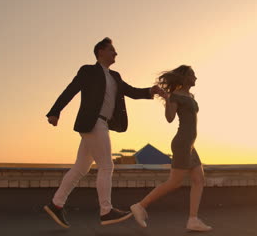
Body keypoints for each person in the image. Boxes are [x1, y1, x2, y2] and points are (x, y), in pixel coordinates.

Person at [43, 37, 165, 228]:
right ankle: (106, 211)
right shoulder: (88, 71)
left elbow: (131, 91)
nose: (115, 53)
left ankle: (56, 204)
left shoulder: (115, 76)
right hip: (94, 123)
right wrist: (54, 112)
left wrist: (151, 91)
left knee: (81, 168)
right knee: (106, 166)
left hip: (102, 124)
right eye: (112, 50)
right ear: (101, 52)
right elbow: (71, 90)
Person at [130, 65, 212, 232]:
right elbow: (169, 118)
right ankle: (140, 206)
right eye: (193, 75)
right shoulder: (176, 96)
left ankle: (193, 219)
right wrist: (168, 99)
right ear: (185, 77)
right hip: (182, 143)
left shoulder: (189, 95)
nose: (196, 78)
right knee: (174, 182)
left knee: (199, 179)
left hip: (190, 144)